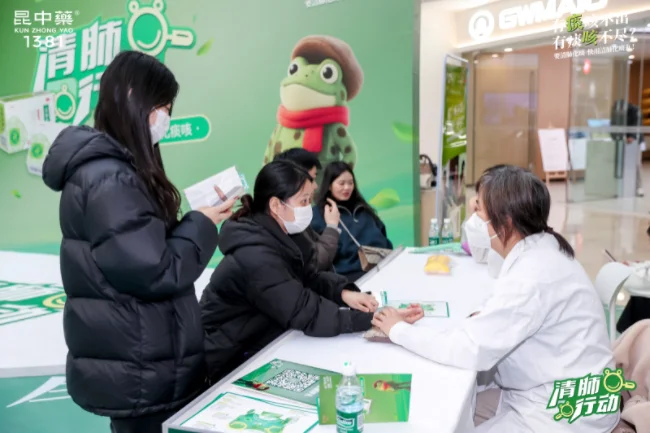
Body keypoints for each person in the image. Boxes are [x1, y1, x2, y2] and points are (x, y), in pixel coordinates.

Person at [41, 51, 236, 433]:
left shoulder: (109, 172)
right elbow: (155, 270)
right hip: (142, 367)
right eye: (163, 107)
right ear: (134, 99)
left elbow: (140, 251)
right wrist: (202, 224)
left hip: (143, 361)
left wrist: (197, 219)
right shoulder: (110, 179)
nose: (166, 118)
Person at [372, 165, 619, 433]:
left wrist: (398, 330)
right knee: (456, 408)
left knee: (447, 411)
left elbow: (470, 349)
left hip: (565, 412)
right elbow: (500, 312)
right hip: (551, 390)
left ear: (507, 221)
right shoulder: (540, 249)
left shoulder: (533, 274)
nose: (475, 220)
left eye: (479, 211)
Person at [200, 161, 417, 383]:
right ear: (276, 205)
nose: (308, 208)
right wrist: (375, 319)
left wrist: (343, 293)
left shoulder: (281, 232)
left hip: (262, 339)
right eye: (303, 201)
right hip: (230, 358)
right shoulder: (255, 255)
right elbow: (306, 311)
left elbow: (308, 276)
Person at [312, 162, 392, 282]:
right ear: (329, 186)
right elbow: (321, 255)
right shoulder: (319, 214)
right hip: (348, 279)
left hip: (381, 270)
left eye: (350, 183)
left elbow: (384, 238)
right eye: (341, 183)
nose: (347, 187)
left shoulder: (364, 209)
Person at [273, 149, 340, 272]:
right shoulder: (288, 223)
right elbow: (316, 261)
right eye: (311, 179)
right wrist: (331, 227)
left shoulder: (300, 215)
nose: (315, 186)